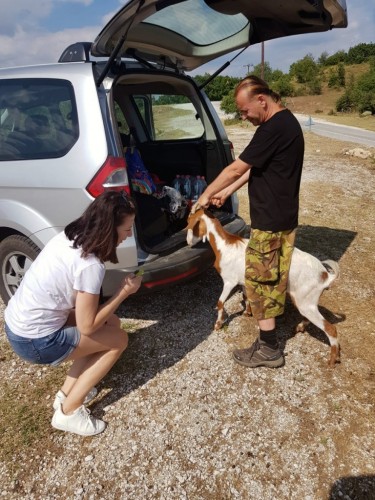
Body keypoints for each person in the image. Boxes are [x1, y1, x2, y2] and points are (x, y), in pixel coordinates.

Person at [4, 191, 142, 436]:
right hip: (34, 341)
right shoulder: (90, 265)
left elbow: (84, 315)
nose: (129, 235)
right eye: (126, 229)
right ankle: (68, 411)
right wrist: (122, 292)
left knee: (112, 323)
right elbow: (87, 327)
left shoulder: (70, 236)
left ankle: (67, 392)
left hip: (18, 324)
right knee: (118, 340)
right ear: (110, 229)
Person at [194, 75, 304, 369]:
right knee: (271, 279)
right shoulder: (285, 123)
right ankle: (268, 342)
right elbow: (255, 168)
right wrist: (227, 192)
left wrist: (206, 195)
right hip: (282, 217)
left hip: (270, 222)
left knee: (258, 282)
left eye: (245, 111)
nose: (243, 116)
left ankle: (269, 349)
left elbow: (235, 168)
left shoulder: (273, 128)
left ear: (262, 100)